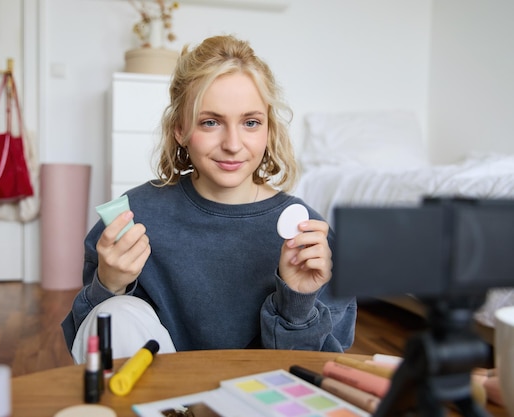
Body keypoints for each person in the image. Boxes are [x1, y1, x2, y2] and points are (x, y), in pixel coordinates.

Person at [62, 35, 356, 363]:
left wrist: (297, 300)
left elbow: (322, 366)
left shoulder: (309, 237)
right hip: (161, 401)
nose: (232, 143)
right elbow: (89, 336)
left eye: (251, 122)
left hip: (259, 398)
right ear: (179, 129)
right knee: (113, 312)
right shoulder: (136, 217)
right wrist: (108, 285)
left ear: (269, 130)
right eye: (211, 122)